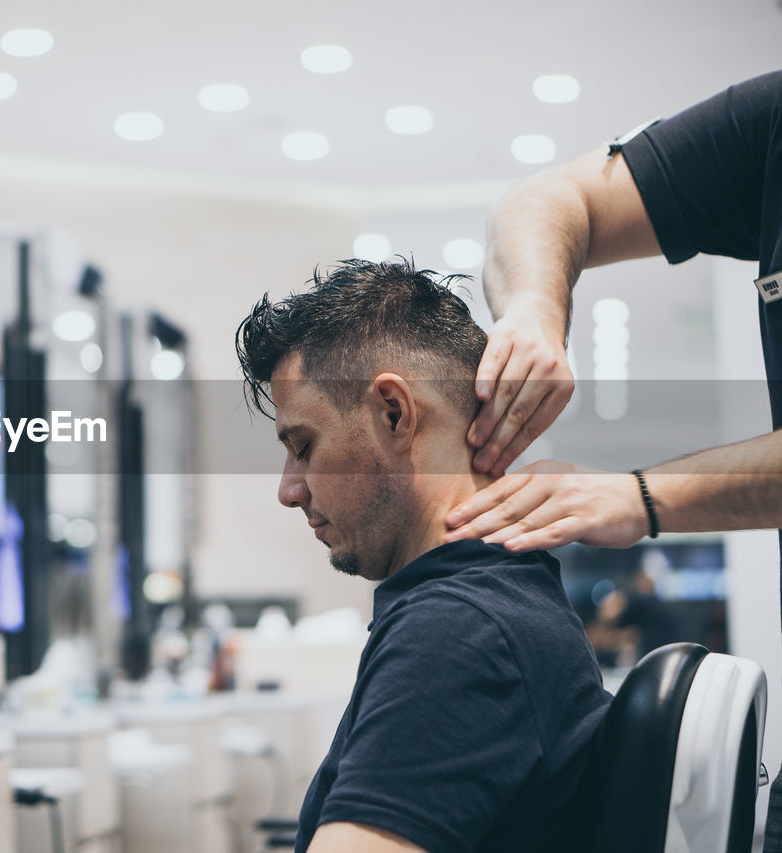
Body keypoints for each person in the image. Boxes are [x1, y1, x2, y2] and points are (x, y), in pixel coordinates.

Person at [235, 258, 610, 853]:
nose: (289, 489)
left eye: (303, 445)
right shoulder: (495, 603)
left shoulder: (458, 632)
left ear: (395, 413)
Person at [445, 71, 782, 553]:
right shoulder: (771, 120)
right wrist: (536, 307)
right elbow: (546, 199)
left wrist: (641, 496)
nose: (293, 492)